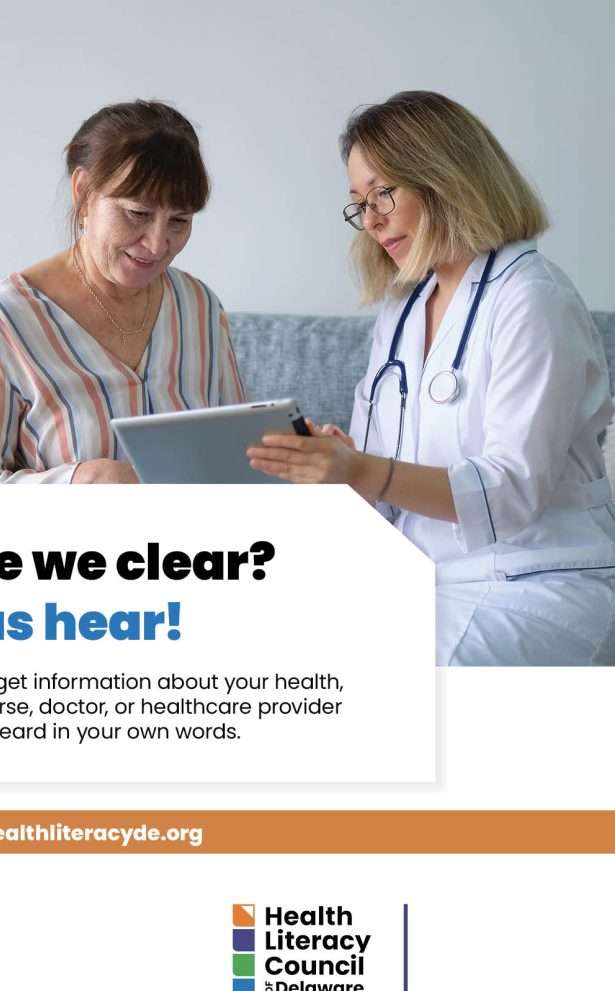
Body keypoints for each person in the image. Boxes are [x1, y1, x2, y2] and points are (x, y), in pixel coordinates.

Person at [248, 91, 615, 666]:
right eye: (359, 203)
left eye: (383, 193)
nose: (370, 220)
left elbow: (513, 492)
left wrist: (366, 470)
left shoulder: (533, 298)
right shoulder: (402, 309)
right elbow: (388, 489)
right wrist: (343, 469)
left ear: (444, 177)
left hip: (535, 577)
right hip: (426, 577)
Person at [0, 100, 245, 484]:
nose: (159, 245)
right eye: (137, 214)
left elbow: (238, 456)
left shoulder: (200, 308)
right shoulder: (0, 323)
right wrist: (79, 482)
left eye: (179, 221)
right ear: (83, 192)